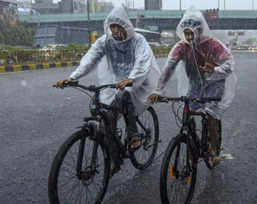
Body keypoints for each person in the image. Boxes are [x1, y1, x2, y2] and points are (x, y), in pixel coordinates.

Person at [55, 6, 160, 174]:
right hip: (115, 82)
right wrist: (73, 77)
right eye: (112, 28)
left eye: (118, 27)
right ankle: (116, 160)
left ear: (125, 26)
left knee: (125, 94)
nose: (115, 31)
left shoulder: (138, 40)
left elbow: (142, 61)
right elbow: (90, 58)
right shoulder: (106, 41)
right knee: (105, 122)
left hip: (138, 80)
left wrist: (131, 79)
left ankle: (133, 135)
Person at [148, 8, 237, 166]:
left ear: (200, 31)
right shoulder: (181, 47)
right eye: (186, 33)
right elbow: (169, 68)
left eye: (192, 33)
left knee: (210, 114)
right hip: (196, 84)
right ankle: (191, 142)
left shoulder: (213, 45)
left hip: (214, 83)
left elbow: (230, 64)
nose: (189, 37)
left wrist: (214, 70)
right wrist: (158, 90)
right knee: (187, 111)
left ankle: (213, 150)